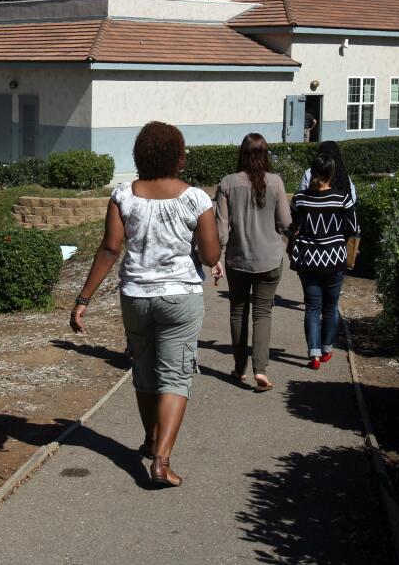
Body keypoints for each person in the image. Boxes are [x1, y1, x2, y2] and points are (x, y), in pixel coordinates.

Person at [71, 121, 220, 488]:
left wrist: (83, 298)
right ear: (179, 158)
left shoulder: (124, 195)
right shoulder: (196, 199)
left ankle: (151, 439)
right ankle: (162, 460)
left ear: (140, 155)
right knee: (175, 376)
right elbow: (210, 254)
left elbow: (110, 248)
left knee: (144, 371)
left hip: (136, 297)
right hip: (180, 298)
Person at [212, 134, 290, 392]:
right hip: (270, 259)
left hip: (238, 259)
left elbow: (221, 230)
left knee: (238, 312)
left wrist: (217, 258)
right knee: (263, 313)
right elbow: (285, 223)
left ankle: (239, 367)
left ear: (242, 154)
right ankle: (261, 369)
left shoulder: (227, 183)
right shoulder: (276, 182)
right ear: (265, 153)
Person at [288, 153, 359, 371]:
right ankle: (327, 349)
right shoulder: (342, 198)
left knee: (312, 307)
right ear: (332, 173)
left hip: (308, 259)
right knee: (330, 307)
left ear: (312, 172)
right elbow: (354, 228)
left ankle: (314, 354)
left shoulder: (300, 198)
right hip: (335, 258)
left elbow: (292, 226)